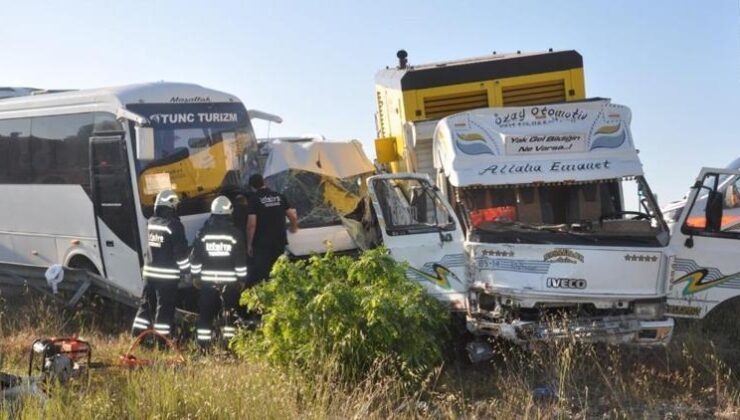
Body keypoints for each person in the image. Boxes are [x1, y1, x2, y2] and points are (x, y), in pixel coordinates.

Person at [189, 196, 248, 348]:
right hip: (230, 283)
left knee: (206, 315)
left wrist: (195, 276)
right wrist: (241, 279)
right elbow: (240, 261)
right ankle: (230, 346)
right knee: (230, 314)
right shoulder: (236, 234)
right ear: (229, 213)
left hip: (208, 283)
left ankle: (203, 346)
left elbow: (196, 257)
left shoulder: (203, 232)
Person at [131, 190, 190, 340]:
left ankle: (137, 335)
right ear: (170, 206)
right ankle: (162, 341)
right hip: (166, 276)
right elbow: (181, 253)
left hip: (149, 273)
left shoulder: (151, 222)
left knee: (145, 304)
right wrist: (187, 272)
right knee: (164, 308)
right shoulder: (174, 225)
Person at [246, 174, 299, 287]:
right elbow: (292, 216)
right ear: (264, 182)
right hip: (279, 241)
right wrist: (294, 227)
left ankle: (266, 298)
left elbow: (251, 224)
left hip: (262, 244)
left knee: (263, 275)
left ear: (251, 187)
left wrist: (249, 244)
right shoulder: (279, 196)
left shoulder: (254, 200)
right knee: (279, 271)